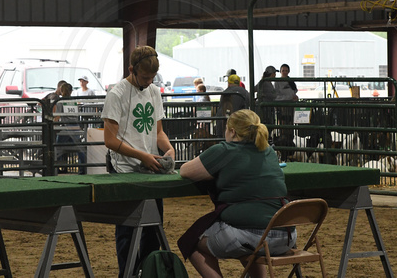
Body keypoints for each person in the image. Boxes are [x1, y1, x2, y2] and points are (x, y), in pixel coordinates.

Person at [178, 109, 295, 278]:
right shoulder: (268, 151)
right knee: (251, 243)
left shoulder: (224, 150)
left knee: (192, 242)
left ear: (232, 131)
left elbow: (185, 171)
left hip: (252, 238)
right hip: (286, 237)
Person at [101, 45, 176, 277]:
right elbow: (110, 140)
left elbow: (158, 132)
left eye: (153, 77)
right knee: (127, 230)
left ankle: (149, 272)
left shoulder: (154, 92)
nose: (149, 81)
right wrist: (142, 155)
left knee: (153, 228)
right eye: (145, 77)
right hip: (124, 168)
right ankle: (128, 273)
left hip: (150, 167)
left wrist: (168, 148)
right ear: (131, 69)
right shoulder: (117, 95)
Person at [55, 81, 85, 174]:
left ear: (61, 90)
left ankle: (56, 167)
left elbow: (58, 116)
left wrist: (52, 122)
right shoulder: (74, 101)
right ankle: (83, 169)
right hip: (75, 127)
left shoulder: (60, 102)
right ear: (71, 91)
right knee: (80, 148)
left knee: (56, 147)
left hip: (66, 128)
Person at [274, 64, 298, 158]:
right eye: (283, 70)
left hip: (290, 107)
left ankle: (290, 148)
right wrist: (289, 97)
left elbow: (295, 91)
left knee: (290, 126)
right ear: (280, 71)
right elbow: (276, 95)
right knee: (283, 127)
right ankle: (283, 149)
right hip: (282, 107)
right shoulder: (277, 82)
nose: (284, 72)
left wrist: (294, 98)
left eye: (286, 70)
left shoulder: (291, 81)